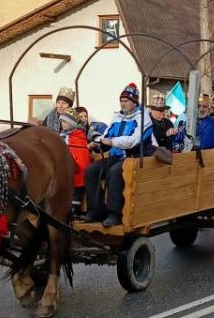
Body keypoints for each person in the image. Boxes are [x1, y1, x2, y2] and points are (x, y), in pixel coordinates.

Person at [82, 83, 155, 227]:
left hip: (133, 158)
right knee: (91, 170)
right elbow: (107, 135)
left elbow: (134, 140)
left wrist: (112, 142)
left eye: (126, 101)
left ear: (134, 102)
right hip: (115, 156)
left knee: (115, 172)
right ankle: (96, 211)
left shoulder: (143, 118)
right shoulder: (117, 117)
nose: (123, 104)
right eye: (121, 101)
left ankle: (114, 214)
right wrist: (97, 143)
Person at [59, 112, 90, 219]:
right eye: (61, 121)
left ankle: (73, 210)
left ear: (71, 123)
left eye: (65, 121)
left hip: (78, 169)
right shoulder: (63, 135)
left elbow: (79, 154)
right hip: (68, 168)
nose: (62, 124)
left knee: (76, 191)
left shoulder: (77, 136)